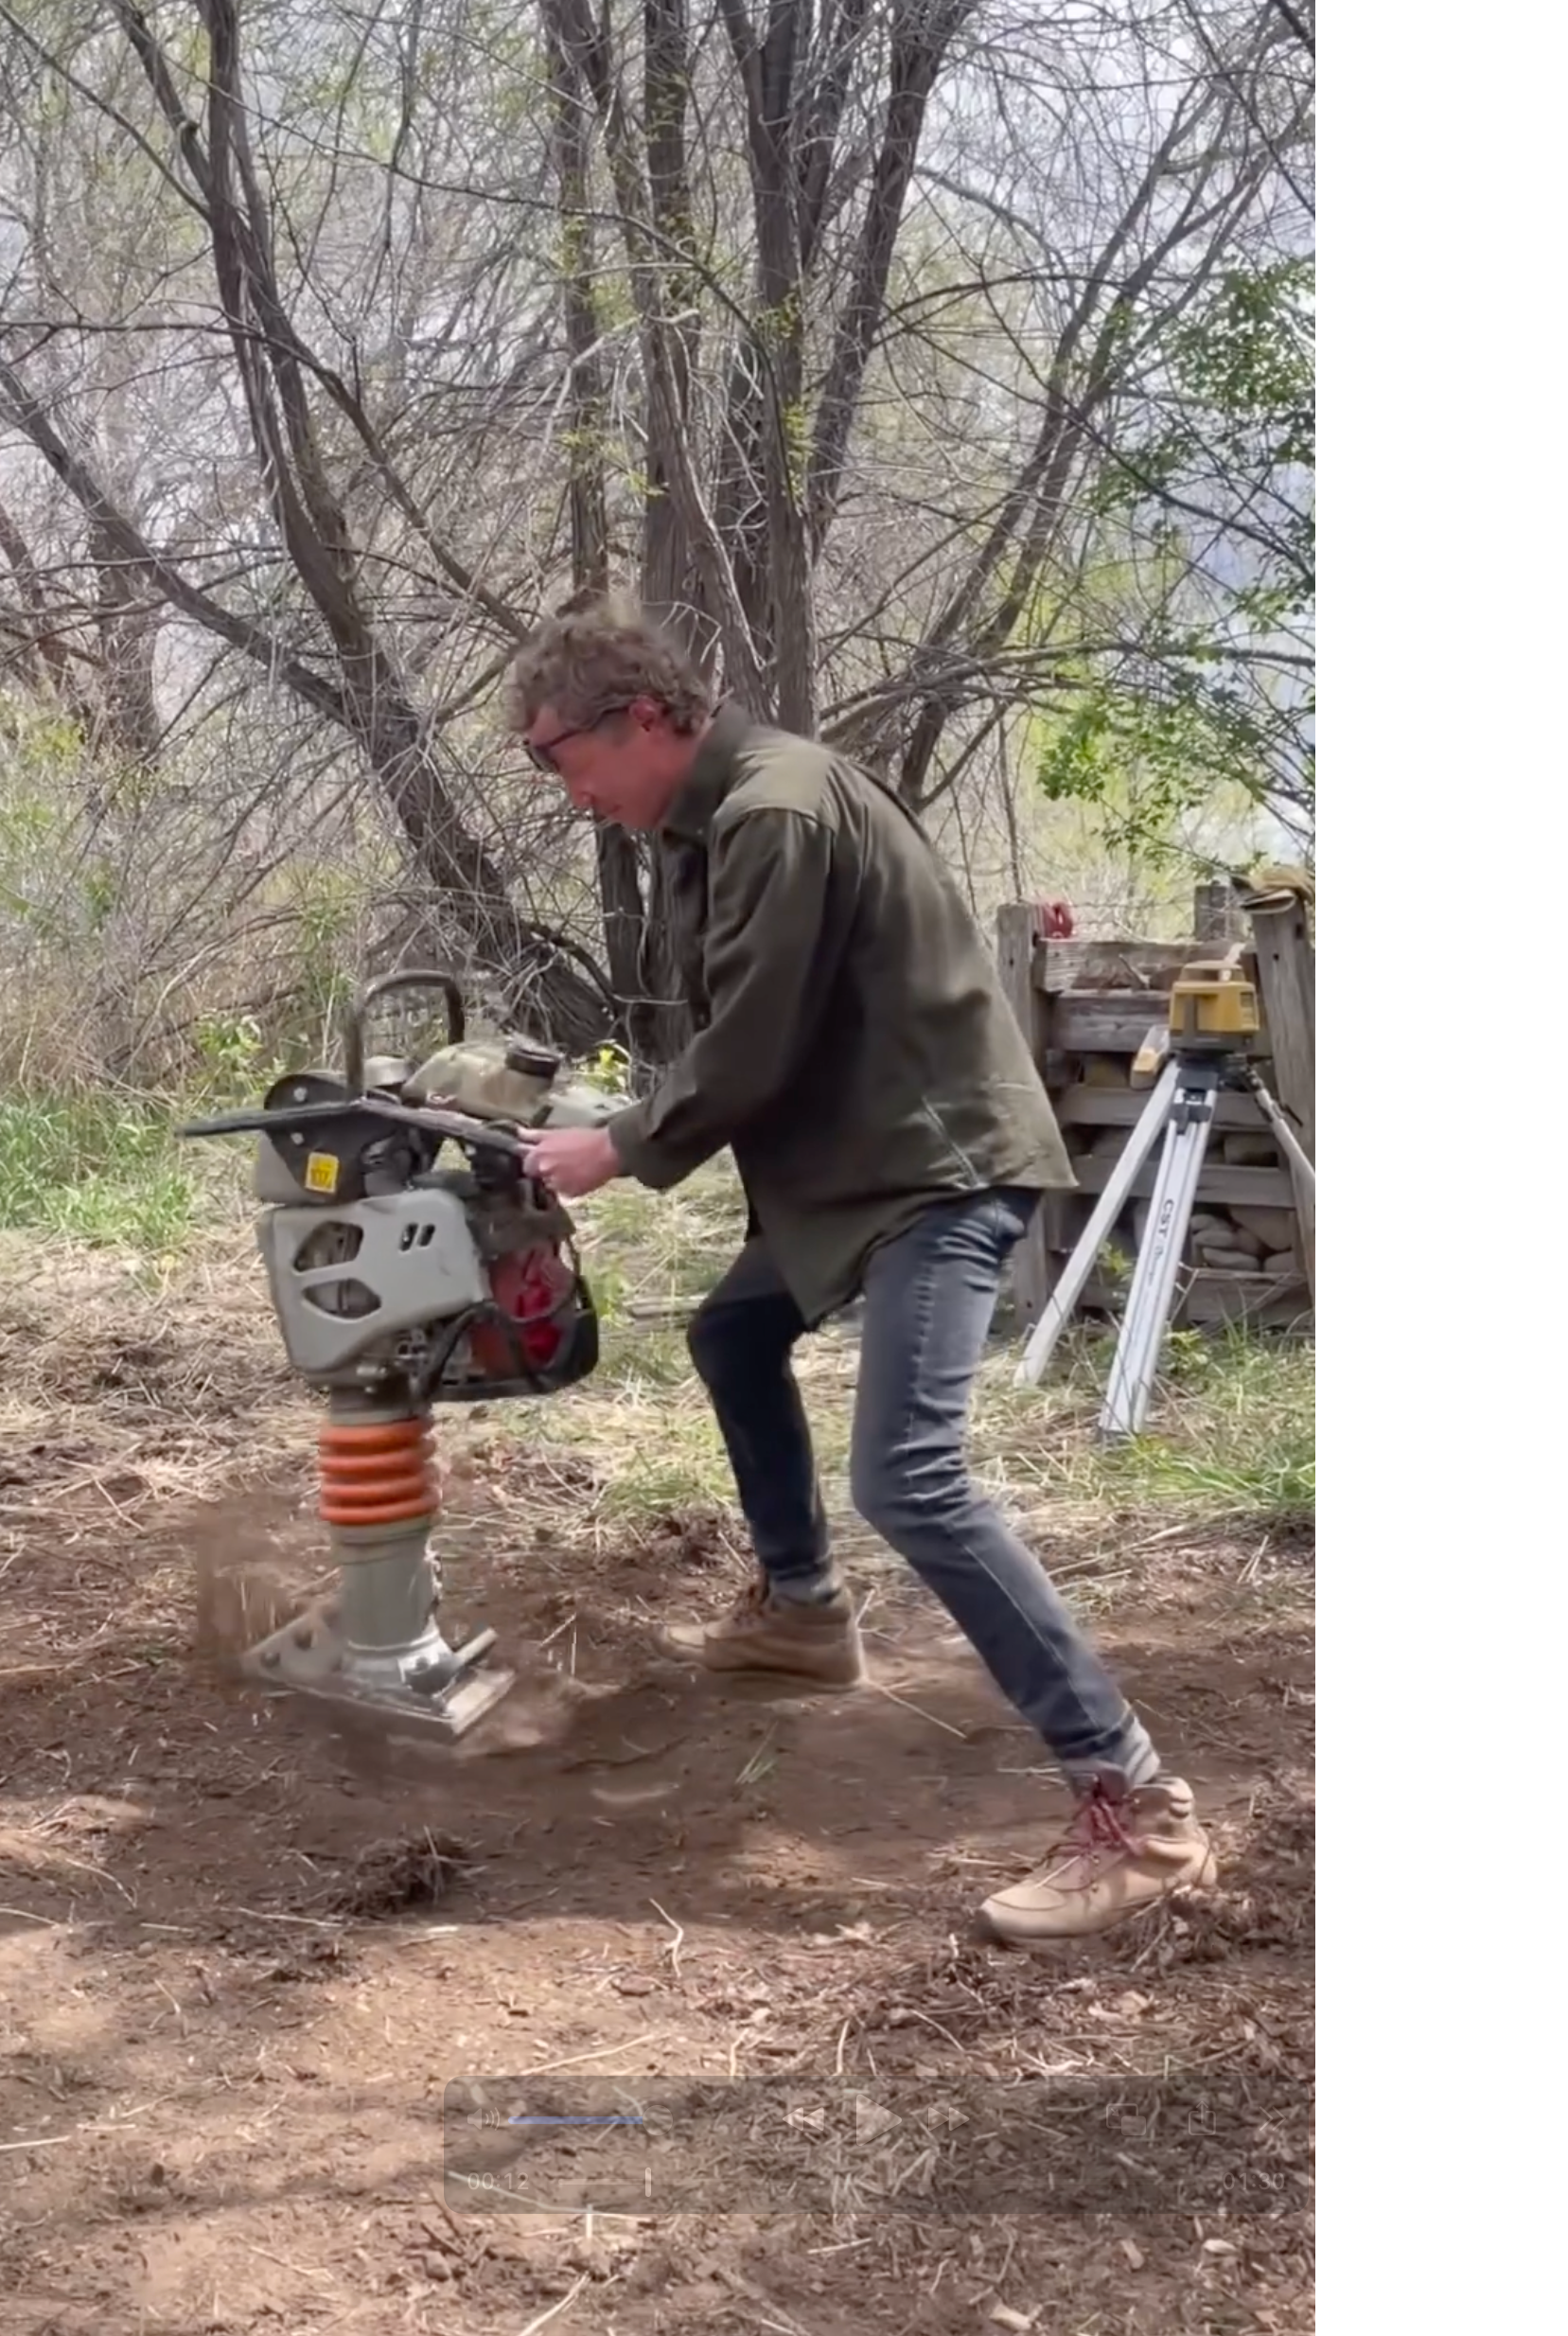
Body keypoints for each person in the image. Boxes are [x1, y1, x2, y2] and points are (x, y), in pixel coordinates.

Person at [506, 596, 1217, 1943]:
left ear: (643, 717)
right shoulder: (713, 826)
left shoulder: (776, 812)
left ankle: (1139, 1807)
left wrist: (620, 1146)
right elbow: (748, 1030)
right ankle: (803, 1609)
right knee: (732, 1336)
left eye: (558, 754)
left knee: (911, 1475)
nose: (566, 789)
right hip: (862, 1174)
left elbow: (755, 1043)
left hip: (931, 1175)